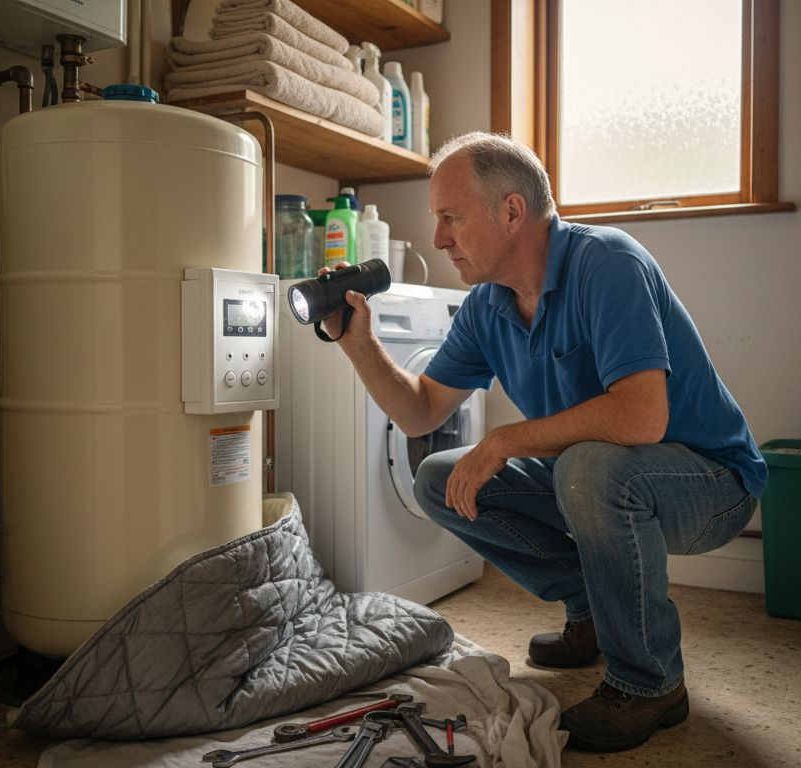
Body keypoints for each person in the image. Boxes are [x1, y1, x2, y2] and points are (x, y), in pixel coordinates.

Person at [317, 131, 767, 753]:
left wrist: (504, 439)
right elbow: (420, 414)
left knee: (590, 466)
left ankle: (650, 681)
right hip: (596, 476)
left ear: (511, 211)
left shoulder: (608, 263)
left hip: (712, 483)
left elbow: (641, 418)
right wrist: (357, 343)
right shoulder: (486, 307)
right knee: (439, 479)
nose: (439, 237)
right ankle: (592, 609)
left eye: (451, 217)